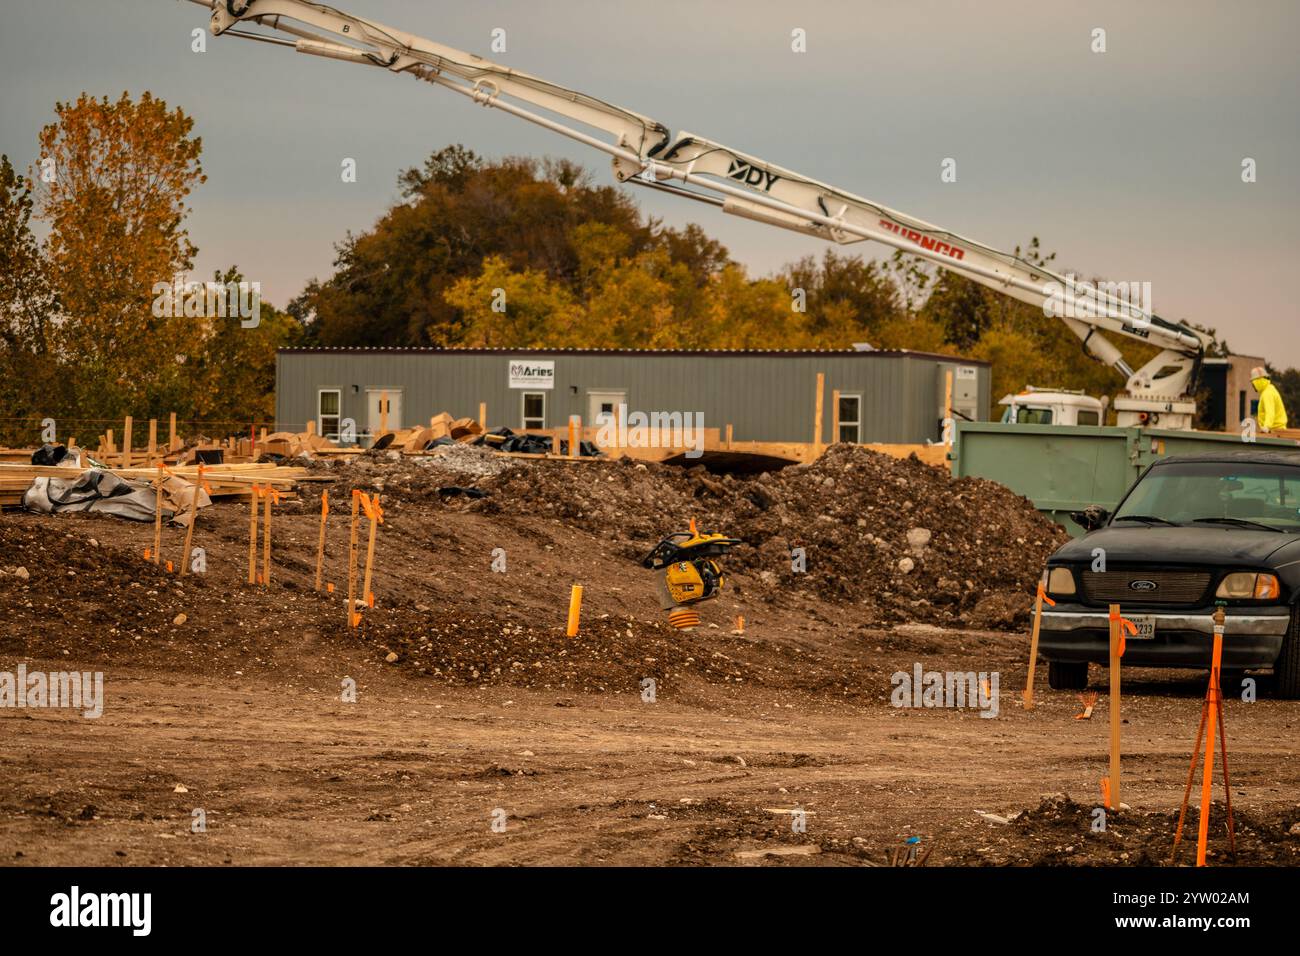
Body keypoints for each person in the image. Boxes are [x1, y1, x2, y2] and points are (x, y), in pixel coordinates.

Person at [1251, 366, 1289, 432]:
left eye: (1253, 382)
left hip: (1276, 431)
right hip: (1276, 430)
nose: (1253, 385)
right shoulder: (1269, 389)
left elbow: (1270, 412)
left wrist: (1266, 427)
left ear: (1257, 381)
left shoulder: (1267, 394)